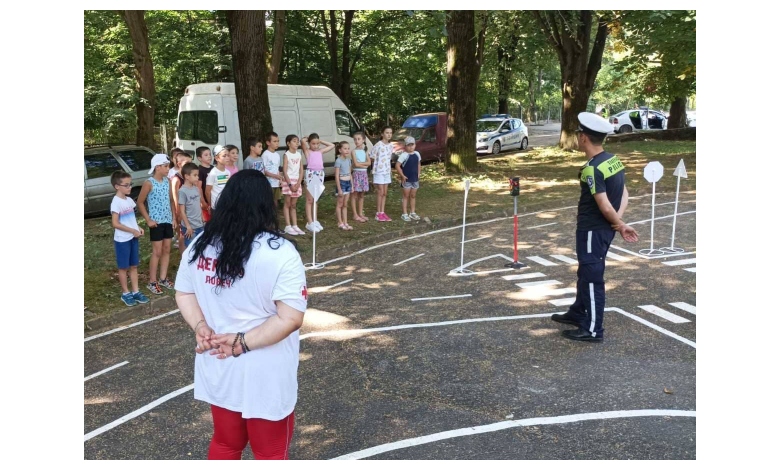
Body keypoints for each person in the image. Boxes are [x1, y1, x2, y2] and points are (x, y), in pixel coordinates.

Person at [174, 170, 307, 460]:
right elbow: (290, 318)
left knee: (225, 443)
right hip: (265, 370)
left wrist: (201, 326)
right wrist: (243, 342)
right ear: (266, 205)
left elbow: (183, 292)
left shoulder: (199, 246)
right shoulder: (280, 252)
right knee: (270, 453)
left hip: (219, 361)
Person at [550, 113, 639, 342]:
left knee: (592, 277)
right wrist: (616, 222)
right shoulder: (613, 160)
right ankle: (578, 312)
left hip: (592, 231)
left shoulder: (592, 169)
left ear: (583, 138)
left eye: (579, 134)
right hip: (603, 230)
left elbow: (603, 203)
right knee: (585, 272)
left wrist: (618, 224)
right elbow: (624, 194)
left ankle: (592, 329)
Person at [137, 154, 176, 295]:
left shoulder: (168, 181)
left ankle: (163, 278)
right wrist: (148, 219)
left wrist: (174, 218)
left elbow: (171, 200)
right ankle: (152, 281)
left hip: (167, 220)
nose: (168, 169)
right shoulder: (149, 183)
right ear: (157, 167)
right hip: (156, 222)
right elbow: (140, 202)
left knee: (167, 249)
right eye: (166, 166)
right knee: (157, 251)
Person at [110, 170, 149, 307]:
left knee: (134, 265)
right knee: (123, 267)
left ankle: (136, 291)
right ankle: (125, 293)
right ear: (117, 186)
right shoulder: (116, 202)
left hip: (133, 237)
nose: (130, 187)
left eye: (130, 184)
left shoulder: (129, 200)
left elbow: (130, 219)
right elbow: (115, 223)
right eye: (126, 185)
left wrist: (137, 227)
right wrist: (132, 230)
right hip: (122, 240)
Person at [301, 133, 335, 232]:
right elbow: (302, 142)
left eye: (317, 143)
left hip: (320, 174)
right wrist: (307, 139)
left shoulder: (320, 151)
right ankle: (309, 222)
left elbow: (332, 145)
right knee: (309, 199)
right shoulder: (307, 151)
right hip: (311, 174)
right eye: (313, 143)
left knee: (315, 199)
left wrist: (321, 141)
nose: (315, 146)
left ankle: (315, 219)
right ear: (309, 144)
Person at [281, 135, 305, 236]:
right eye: (294, 141)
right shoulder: (286, 155)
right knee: (287, 204)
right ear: (288, 143)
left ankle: (295, 225)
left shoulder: (299, 155)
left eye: (298, 141)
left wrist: (299, 182)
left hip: (297, 181)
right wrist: (290, 184)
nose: (297, 143)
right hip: (289, 181)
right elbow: (285, 171)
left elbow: (301, 170)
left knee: (293, 205)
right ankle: (288, 225)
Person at [370, 125, 394, 221]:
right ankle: (378, 213)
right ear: (382, 134)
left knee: (385, 193)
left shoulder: (391, 146)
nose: (388, 135)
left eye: (390, 133)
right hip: (379, 172)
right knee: (380, 192)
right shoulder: (378, 145)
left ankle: (382, 212)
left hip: (387, 171)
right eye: (387, 133)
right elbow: (372, 157)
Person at [178, 162, 205, 248]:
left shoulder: (196, 189)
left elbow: (198, 205)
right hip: (190, 227)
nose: (197, 177)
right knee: (191, 249)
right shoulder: (182, 191)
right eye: (195, 175)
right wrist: (188, 226)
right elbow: (182, 211)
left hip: (200, 224)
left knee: (201, 248)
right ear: (186, 176)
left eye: (198, 175)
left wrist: (202, 217)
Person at [171, 151, 194, 252]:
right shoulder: (176, 179)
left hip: (191, 211)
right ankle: (183, 256)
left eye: (191, 163)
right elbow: (175, 198)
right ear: (179, 164)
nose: (190, 166)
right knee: (182, 235)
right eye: (187, 163)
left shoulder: (189, 177)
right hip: (182, 212)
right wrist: (178, 214)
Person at [395, 136, 422, 222]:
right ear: (405, 146)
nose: (411, 147)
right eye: (409, 145)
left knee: (413, 195)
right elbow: (397, 165)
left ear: (415, 145)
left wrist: (418, 174)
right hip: (407, 179)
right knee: (406, 196)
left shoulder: (417, 154)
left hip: (415, 179)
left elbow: (418, 164)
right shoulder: (404, 155)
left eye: (412, 145)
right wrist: (402, 175)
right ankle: (404, 213)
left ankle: (412, 212)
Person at [350, 131, 371, 222]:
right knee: (354, 194)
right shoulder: (353, 151)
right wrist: (363, 165)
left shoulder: (365, 151)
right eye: (355, 139)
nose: (357, 141)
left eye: (359, 139)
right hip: (357, 174)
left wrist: (360, 164)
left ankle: (360, 213)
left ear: (363, 140)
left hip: (364, 174)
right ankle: (355, 214)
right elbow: (355, 164)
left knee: (361, 194)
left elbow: (369, 163)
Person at [260, 132, 283, 209]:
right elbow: (263, 170)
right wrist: (274, 176)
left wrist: (280, 179)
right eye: (274, 141)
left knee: (275, 202)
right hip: (268, 183)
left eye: (278, 141)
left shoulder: (277, 155)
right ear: (268, 143)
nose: (277, 143)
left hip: (276, 183)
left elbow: (277, 168)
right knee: (268, 202)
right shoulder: (265, 155)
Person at [334, 141, 353, 230]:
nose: (347, 150)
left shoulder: (349, 160)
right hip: (341, 183)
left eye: (348, 148)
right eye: (345, 148)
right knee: (340, 204)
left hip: (348, 183)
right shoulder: (338, 161)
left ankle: (345, 222)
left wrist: (352, 185)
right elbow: (337, 176)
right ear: (340, 150)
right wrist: (339, 188)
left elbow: (350, 173)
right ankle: (340, 222)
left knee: (345, 204)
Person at [206, 147, 231, 212]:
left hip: (226, 205)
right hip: (216, 207)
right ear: (217, 158)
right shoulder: (213, 173)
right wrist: (211, 205)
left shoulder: (228, 172)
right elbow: (207, 191)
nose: (227, 158)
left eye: (228, 155)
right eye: (224, 156)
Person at [196, 146, 214, 223]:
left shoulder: (214, 168)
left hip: (214, 200)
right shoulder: (199, 170)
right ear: (199, 158)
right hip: (206, 202)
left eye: (210, 154)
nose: (209, 157)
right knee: (207, 222)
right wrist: (203, 202)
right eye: (206, 155)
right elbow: (199, 187)